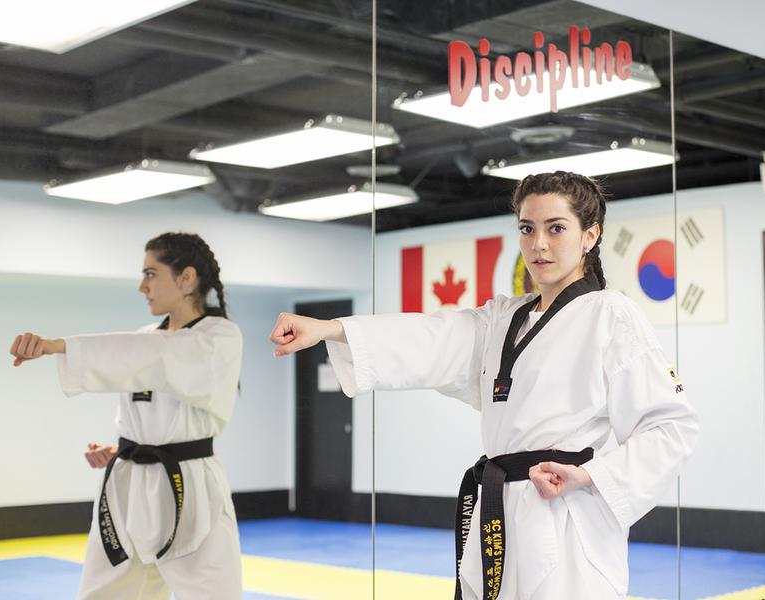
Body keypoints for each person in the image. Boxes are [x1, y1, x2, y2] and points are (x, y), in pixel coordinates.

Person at [269, 171, 699, 600]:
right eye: (527, 229)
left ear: (590, 235)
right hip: (499, 509)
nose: (539, 244)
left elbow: (671, 427)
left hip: (564, 514)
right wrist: (329, 328)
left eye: (556, 228)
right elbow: (429, 337)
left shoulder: (610, 314)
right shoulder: (504, 318)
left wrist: (588, 475)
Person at [9, 232, 243, 600]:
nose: (142, 286)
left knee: (210, 592)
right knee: (106, 591)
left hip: (190, 486)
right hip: (129, 483)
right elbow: (145, 386)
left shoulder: (219, 336)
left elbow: (158, 357)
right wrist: (123, 449)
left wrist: (60, 347)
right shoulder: (145, 336)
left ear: (186, 278)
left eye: (151, 274)